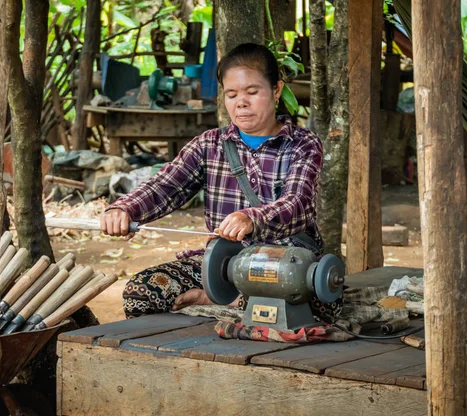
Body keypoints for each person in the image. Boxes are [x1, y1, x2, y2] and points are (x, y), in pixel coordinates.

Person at [100, 42, 342, 323]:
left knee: (306, 303)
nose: (241, 102)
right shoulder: (209, 145)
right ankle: (224, 297)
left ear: (276, 90)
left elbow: (297, 203)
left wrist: (252, 218)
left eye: (252, 92)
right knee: (141, 293)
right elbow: (165, 185)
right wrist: (124, 209)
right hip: (222, 266)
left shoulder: (302, 144)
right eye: (232, 94)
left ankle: (218, 299)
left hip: (287, 266)